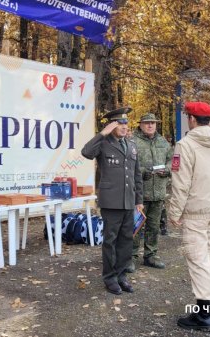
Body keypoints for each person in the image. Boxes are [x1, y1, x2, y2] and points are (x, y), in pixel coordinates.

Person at [169, 102, 210, 331]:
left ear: (192, 119)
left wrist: (175, 212)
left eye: (188, 116)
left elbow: (181, 183)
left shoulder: (185, 144)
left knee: (198, 260)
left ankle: (203, 315)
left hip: (196, 210)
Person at [81, 107, 143, 295]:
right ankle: (110, 278)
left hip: (128, 200)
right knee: (110, 241)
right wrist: (102, 134)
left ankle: (121, 275)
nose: (124, 127)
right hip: (111, 201)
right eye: (119, 123)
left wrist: (139, 200)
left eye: (126, 123)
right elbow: (86, 152)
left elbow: (136, 174)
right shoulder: (103, 143)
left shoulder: (131, 145)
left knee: (126, 240)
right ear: (111, 125)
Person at [128, 113, 172, 272]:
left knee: (153, 226)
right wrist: (141, 171)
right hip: (139, 193)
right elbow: (126, 164)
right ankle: (130, 256)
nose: (150, 125)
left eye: (152, 123)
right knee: (135, 225)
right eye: (146, 123)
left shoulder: (163, 142)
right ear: (140, 125)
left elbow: (172, 160)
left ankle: (150, 255)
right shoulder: (132, 141)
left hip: (158, 192)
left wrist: (166, 170)